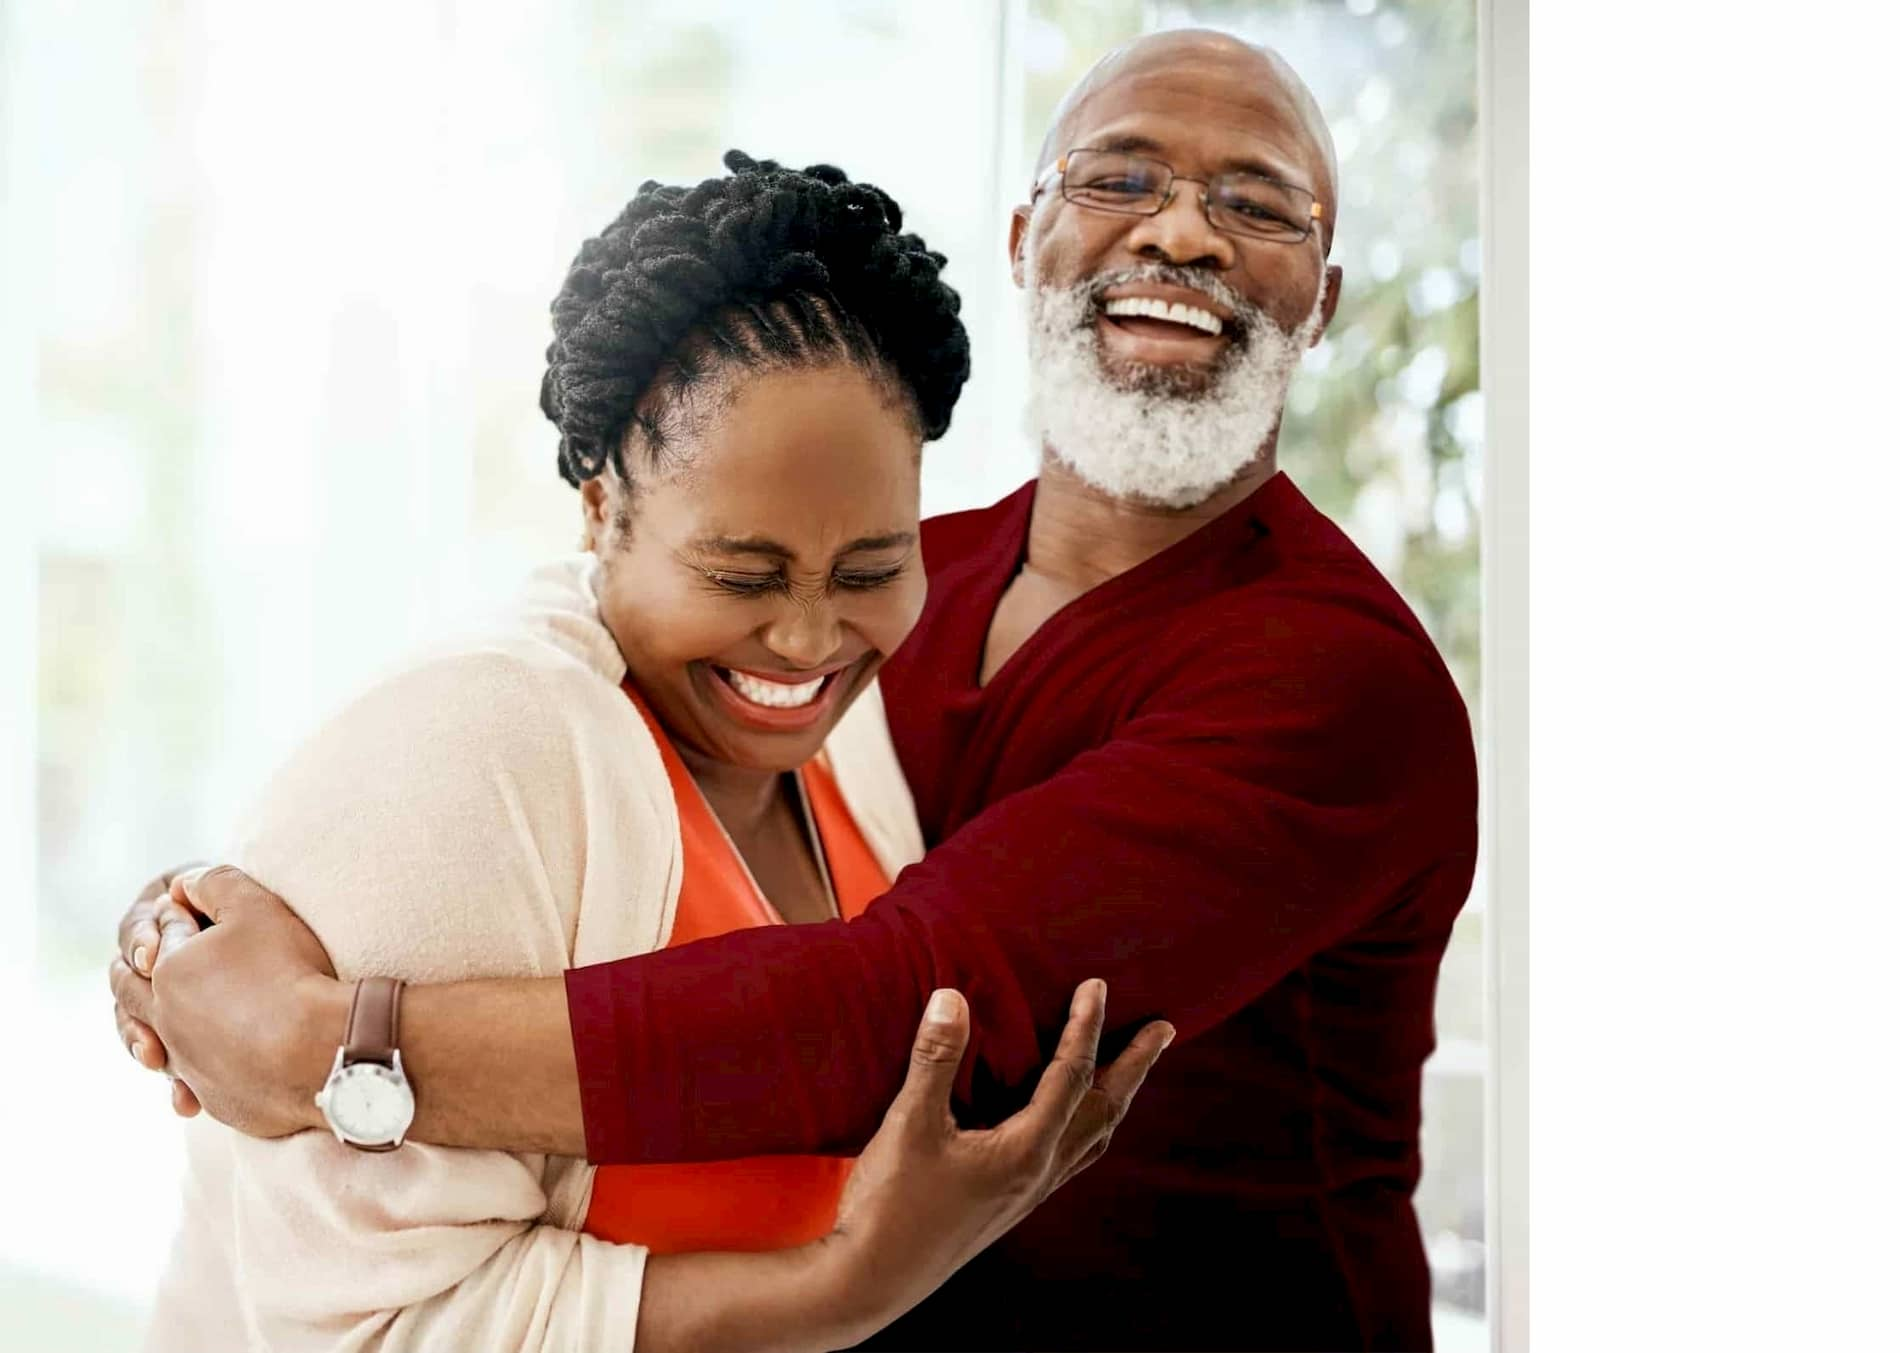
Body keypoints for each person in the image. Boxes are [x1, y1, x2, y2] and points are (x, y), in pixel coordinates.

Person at [116, 30, 1478, 1352]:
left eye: (1258, 203)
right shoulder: (896, 592)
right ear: (1024, 240)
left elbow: (900, 1016)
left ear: (1324, 299)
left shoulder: (1336, 681)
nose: (1182, 234)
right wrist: (215, 906)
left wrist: (326, 1047)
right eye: (1119, 177)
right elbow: (581, 646)